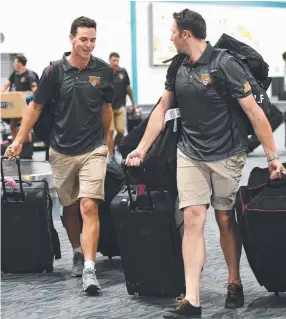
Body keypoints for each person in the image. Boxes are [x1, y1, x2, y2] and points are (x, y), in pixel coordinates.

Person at [126, 9, 285, 318]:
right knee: (193, 217)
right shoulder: (177, 66)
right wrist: (142, 148)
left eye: (173, 31)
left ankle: (233, 281)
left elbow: (255, 113)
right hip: (190, 153)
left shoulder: (225, 64)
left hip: (227, 153)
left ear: (186, 34)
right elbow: (161, 110)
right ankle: (193, 299)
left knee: (225, 218)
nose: (170, 36)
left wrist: (273, 157)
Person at [5, 16, 114, 294]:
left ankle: (89, 269)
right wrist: (18, 140)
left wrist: (109, 143)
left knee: (89, 205)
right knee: (69, 208)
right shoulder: (53, 71)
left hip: (93, 149)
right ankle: (77, 251)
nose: (88, 45)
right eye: (83, 40)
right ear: (71, 39)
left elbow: (106, 109)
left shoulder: (102, 70)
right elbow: (36, 108)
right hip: (62, 150)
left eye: (92, 40)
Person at [108, 52, 137, 163]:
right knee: (110, 132)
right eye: (113, 60)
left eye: (117, 60)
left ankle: (114, 147)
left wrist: (134, 104)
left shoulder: (123, 72)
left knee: (120, 131)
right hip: (108, 108)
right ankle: (111, 156)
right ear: (110, 60)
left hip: (120, 107)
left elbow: (128, 88)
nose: (115, 62)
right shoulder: (106, 73)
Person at [1, 55, 38, 141]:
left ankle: (27, 150)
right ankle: (15, 148)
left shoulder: (29, 75)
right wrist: (2, 93)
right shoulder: (15, 73)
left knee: (25, 129)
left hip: (26, 106)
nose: (14, 63)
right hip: (17, 106)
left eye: (15, 62)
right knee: (12, 126)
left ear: (20, 63)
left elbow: (34, 90)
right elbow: (7, 85)